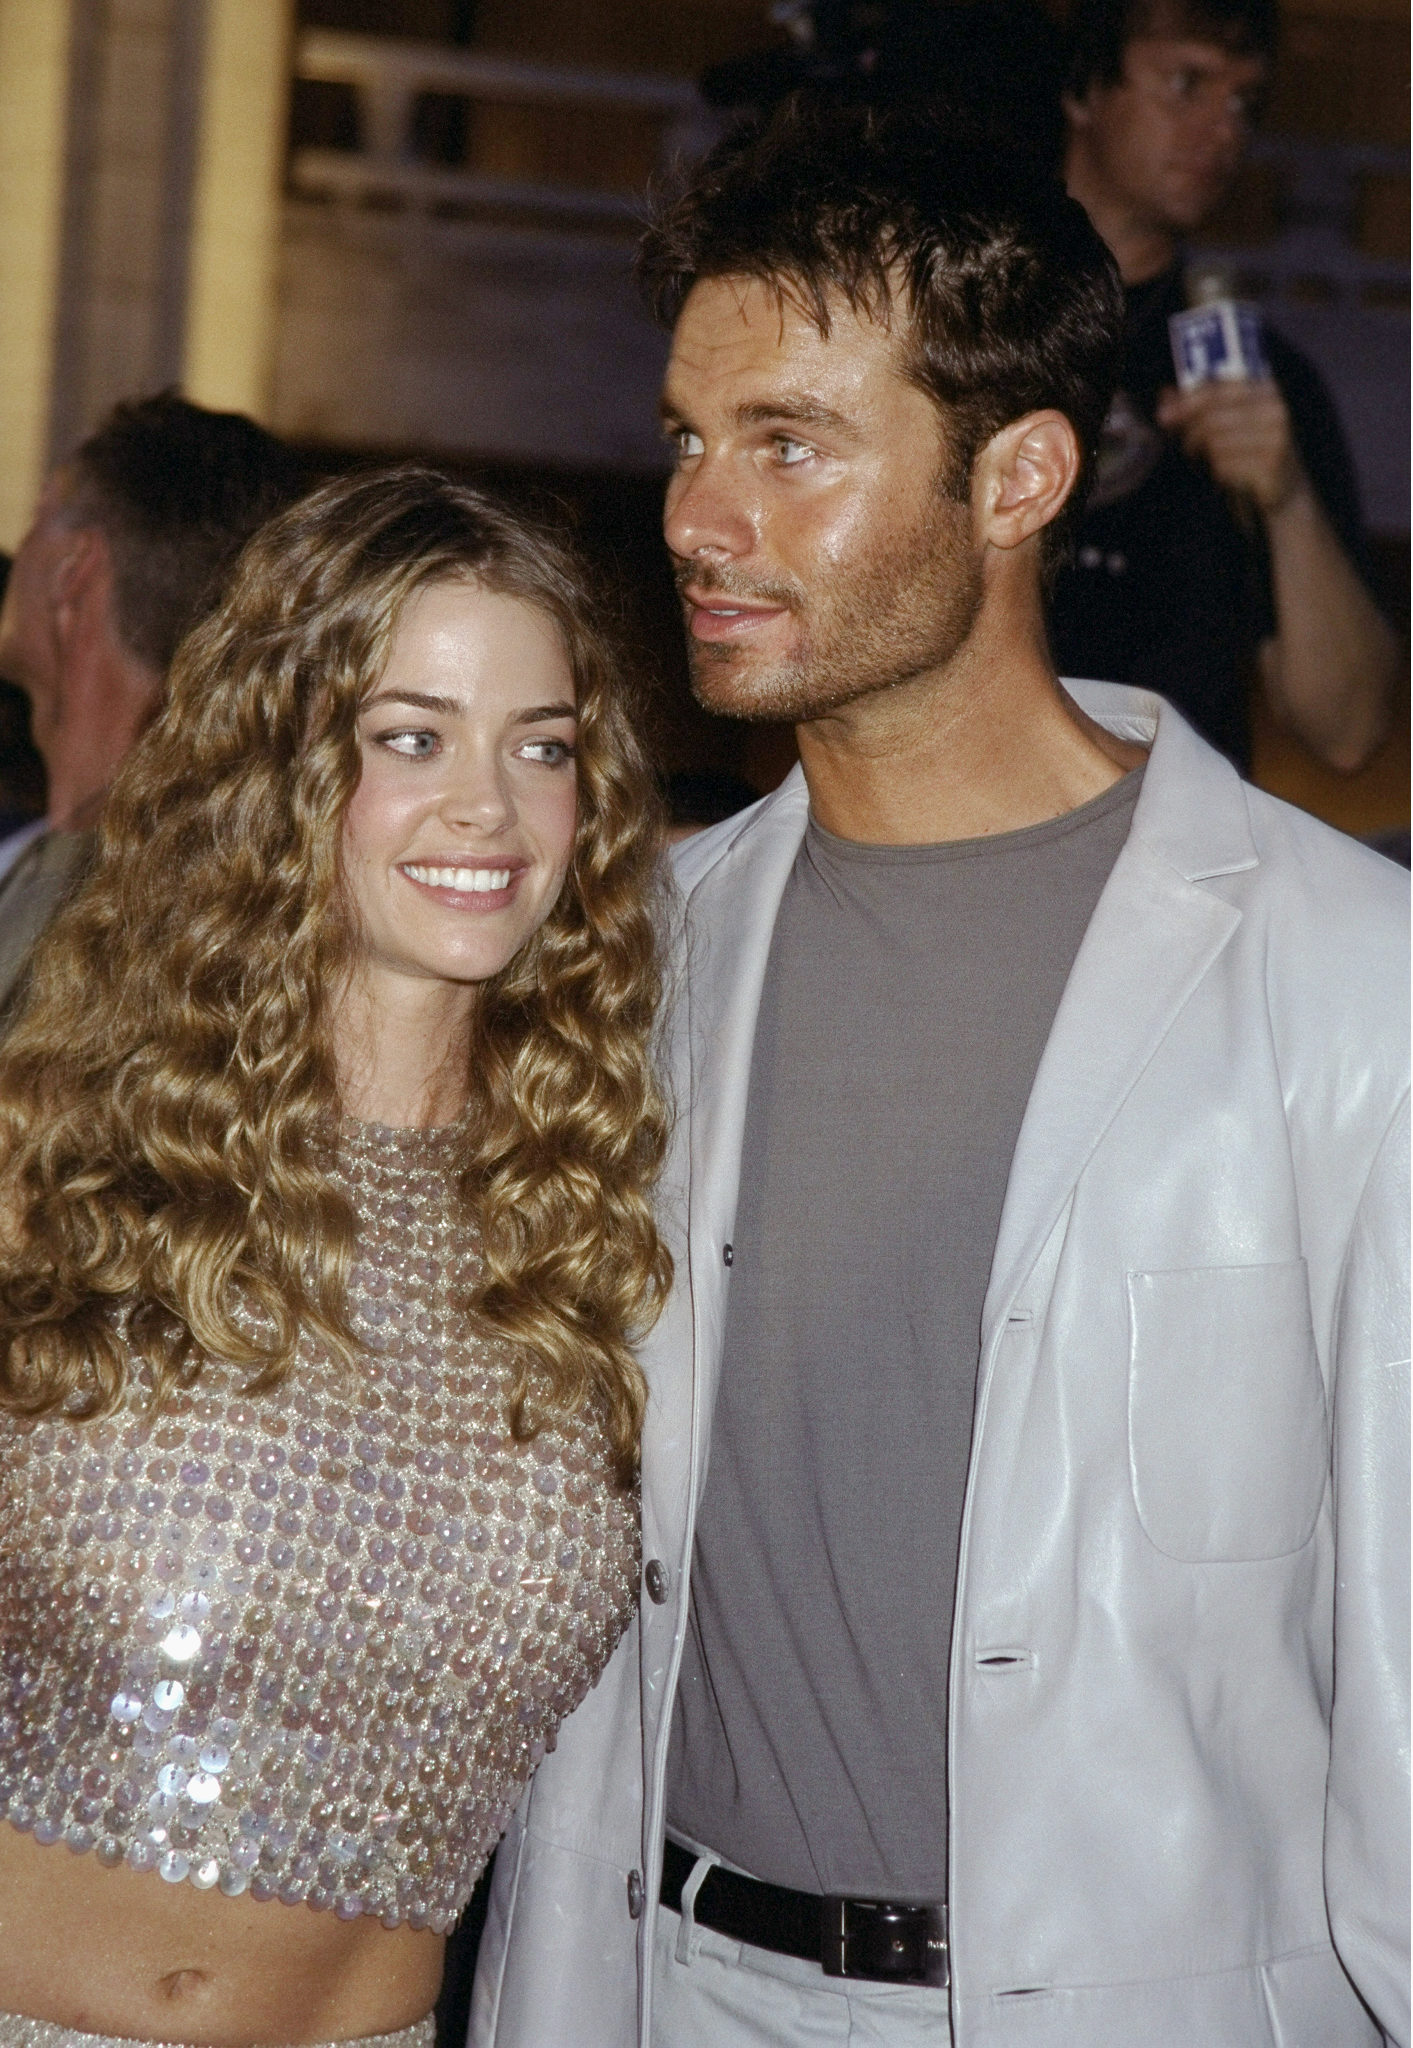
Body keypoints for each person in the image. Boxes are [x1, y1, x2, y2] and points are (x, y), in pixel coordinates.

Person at [471, 99, 1408, 2048]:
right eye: (687, 440)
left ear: (1020, 477)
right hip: (662, 1986)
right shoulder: (637, 945)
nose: (692, 517)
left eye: (787, 445)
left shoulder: (1341, 978)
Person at [0, 466, 670, 2043]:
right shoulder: (54, 1152)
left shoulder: (605, 1222)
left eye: (544, 746)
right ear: (286, 761)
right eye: (411, 737)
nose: (488, 811)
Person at [1053, 0, 1399, 775]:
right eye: (1186, 84)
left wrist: (1284, 498)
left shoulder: (1261, 384)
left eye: (1242, 101)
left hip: (1164, 861)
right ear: (1083, 90)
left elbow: (1346, 730)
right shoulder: (966, 328)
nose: (1222, 130)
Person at [0, 392, 305, 1009]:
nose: (15, 551)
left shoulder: (134, 917)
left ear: (73, 573)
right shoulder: (251, 888)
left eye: (37, 517)